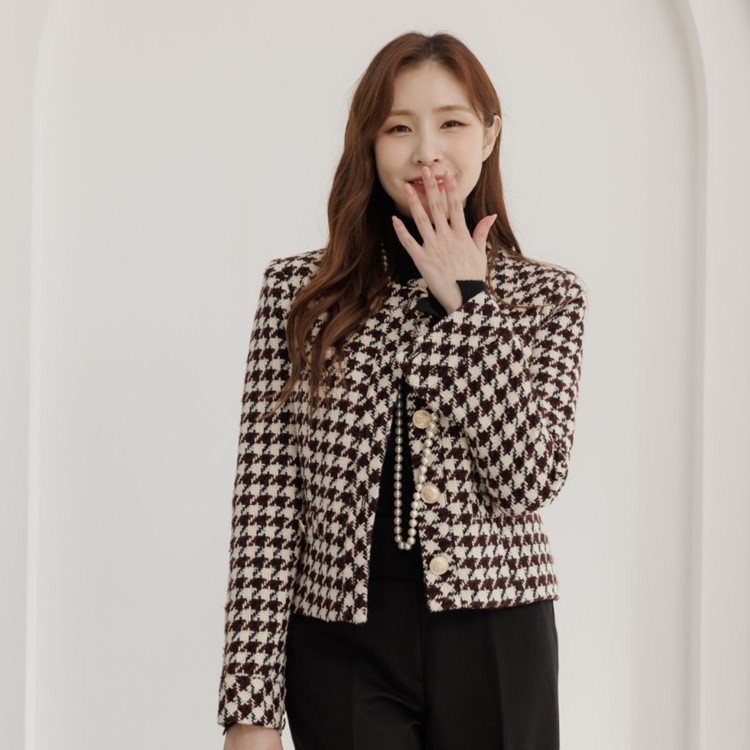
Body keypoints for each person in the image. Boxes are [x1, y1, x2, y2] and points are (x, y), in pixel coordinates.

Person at [218, 31, 588, 750]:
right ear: (368, 141)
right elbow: (266, 506)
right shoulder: (299, 295)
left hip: (498, 633)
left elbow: (528, 478)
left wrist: (470, 303)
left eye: (451, 123)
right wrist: (250, 707)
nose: (427, 152)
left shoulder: (547, 296)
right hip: (341, 646)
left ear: (489, 136)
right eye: (398, 128)